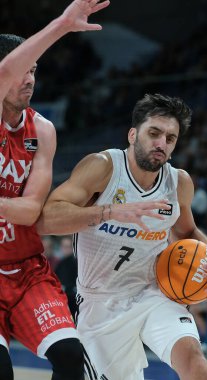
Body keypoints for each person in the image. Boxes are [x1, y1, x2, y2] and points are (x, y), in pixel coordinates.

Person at [37, 94, 207, 380]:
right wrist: (110, 212)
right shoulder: (103, 167)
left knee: (195, 363)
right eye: (154, 133)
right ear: (133, 134)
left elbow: (187, 231)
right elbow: (46, 219)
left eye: (170, 138)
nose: (161, 144)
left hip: (154, 293)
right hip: (101, 304)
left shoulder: (178, 183)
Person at [0, 1, 110, 380]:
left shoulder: (43, 130)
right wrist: (63, 24)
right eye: (22, 72)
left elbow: (31, 211)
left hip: (27, 268)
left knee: (69, 355)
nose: (29, 78)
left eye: (34, 70)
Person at [55, 236, 78, 319]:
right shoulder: (60, 264)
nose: (66, 249)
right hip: (63, 298)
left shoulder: (76, 263)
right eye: (64, 247)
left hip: (74, 299)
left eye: (68, 247)